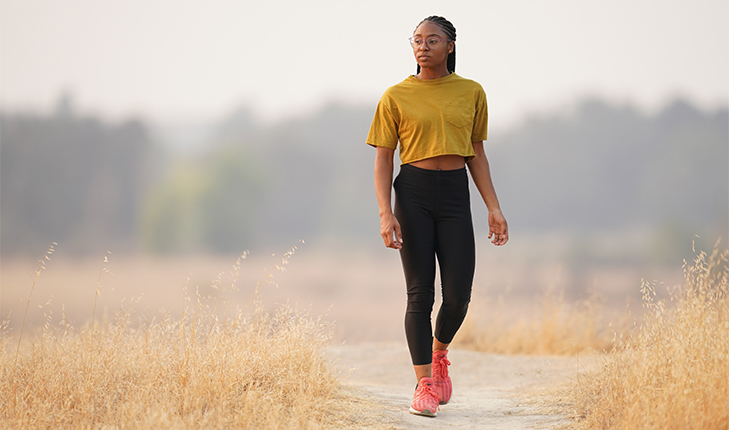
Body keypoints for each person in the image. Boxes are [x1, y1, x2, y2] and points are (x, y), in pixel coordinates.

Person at [366, 16, 509, 417]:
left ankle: (440, 352)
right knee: (420, 294)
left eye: (432, 40)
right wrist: (384, 213)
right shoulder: (395, 96)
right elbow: (383, 158)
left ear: (450, 46)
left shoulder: (471, 92)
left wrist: (493, 208)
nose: (422, 46)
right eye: (416, 40)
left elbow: (476, 152)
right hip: (412, 193)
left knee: (459, 296)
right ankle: (424, 385)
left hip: (455, 196)